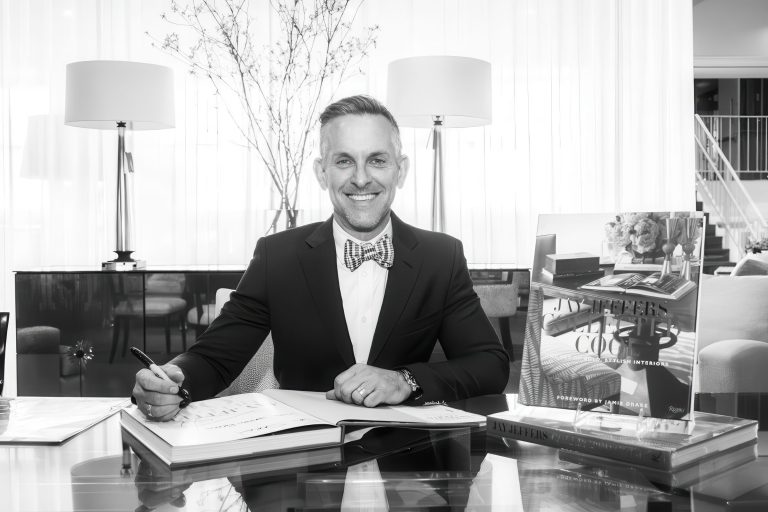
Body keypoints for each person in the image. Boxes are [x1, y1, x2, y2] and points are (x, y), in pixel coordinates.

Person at [132, 95, 509, 421]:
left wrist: (404, 380)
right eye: (344, 161)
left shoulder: (440, 256)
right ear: (321, 171)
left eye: (377, 160)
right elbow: (215, 358)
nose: (361, 179)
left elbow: (489, 364)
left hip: (406, 464)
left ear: (401, 169)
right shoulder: (277, 255)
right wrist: (172, 379)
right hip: (299, 466)